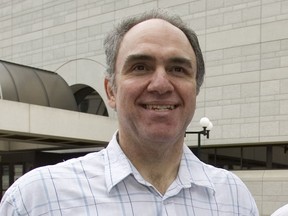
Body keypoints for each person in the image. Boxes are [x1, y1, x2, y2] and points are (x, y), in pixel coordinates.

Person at [0, 9, 259, 215]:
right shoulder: (35, 200)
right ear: (110, 91)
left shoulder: (235, 199)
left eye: (178, 69)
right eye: (140, 67)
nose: (160, 85)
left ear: (195, 89)